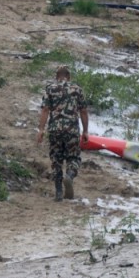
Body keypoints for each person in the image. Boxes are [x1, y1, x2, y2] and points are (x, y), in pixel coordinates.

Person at [36, 66, 89, 201]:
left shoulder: (50, 89)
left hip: (55, 130)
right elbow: (83, 111)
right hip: (72, 130)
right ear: (69, 77)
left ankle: (59, 192)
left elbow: (45, 110)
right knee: (73, 158)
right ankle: (69, 176)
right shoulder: (77, 89)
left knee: (56, 160)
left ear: (56, 76)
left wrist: (41, 130)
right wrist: (85, 131)